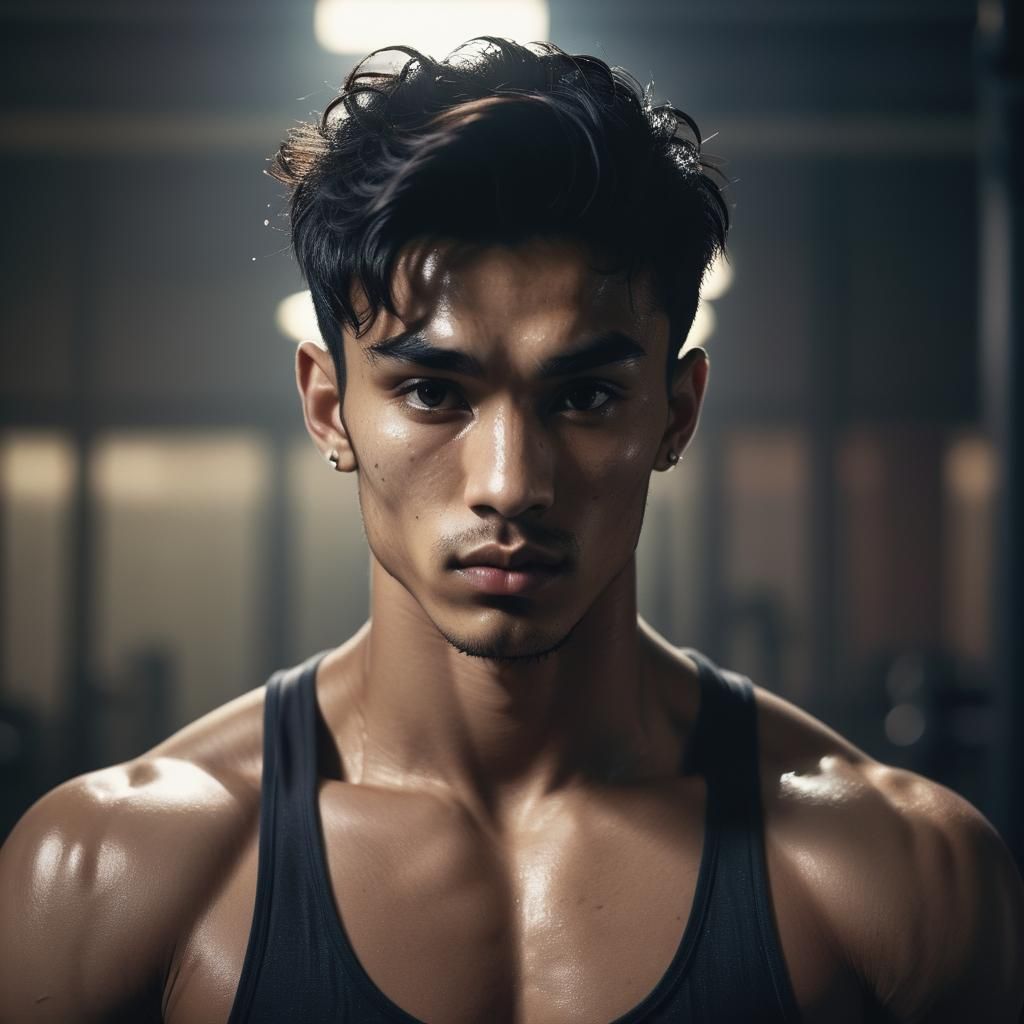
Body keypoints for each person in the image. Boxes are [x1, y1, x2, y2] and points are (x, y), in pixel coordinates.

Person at [1, 36, 1022, 1024]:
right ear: (327, 405)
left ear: (676, 411)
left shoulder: (898, 875)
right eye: (434, 391)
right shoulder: (110, 870)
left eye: (582, 396)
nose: (510, 483)